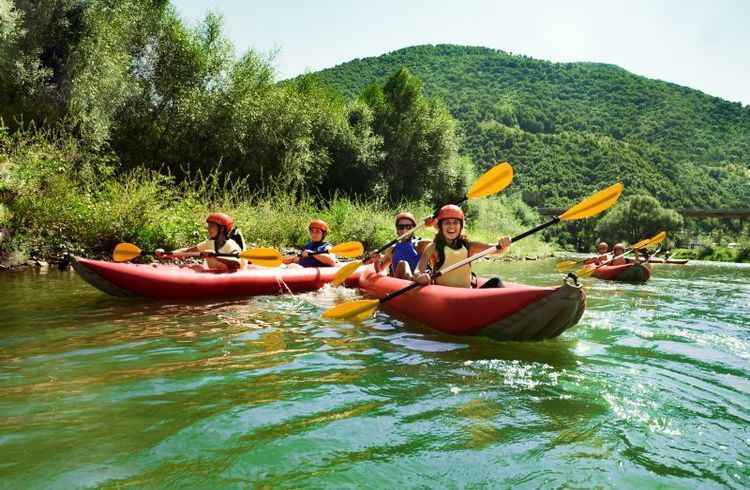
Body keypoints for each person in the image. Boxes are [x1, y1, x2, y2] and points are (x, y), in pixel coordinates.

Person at [413, 205, 511, 288]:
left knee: (496, 282)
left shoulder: (470, 246)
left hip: (466, 295)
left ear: (461, 226)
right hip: (444, 295)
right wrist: (419, 277)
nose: (451, 226)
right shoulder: (433, 247)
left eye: (455, 222)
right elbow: (418, 270)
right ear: (440, 226)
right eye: (447, 223)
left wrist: (504, 244)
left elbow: (497, 250)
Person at [156, 213, 243, 272]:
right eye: (208, 226)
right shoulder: (209, 243)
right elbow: (188, 251)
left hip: (229, 275)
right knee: (194, 267)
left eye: (211, 226)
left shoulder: (231, 245)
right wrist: (167, 254)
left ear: (222, 229)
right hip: (214, 274)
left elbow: (237, 264)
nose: (208, 229)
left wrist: (215, 256)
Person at [372, 212, 431, 279]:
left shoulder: (422, 244)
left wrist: (435, 223)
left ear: (414, 229)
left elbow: (442, 242)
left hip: (418, 284)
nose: (404, 230)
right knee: (402, 264)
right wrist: (376, 261)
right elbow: (380, 270)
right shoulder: (392, 249)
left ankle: (413, 279)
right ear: (397, 230)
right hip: (398, 285)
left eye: (408, 227)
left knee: (403, 264)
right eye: (401, 227)